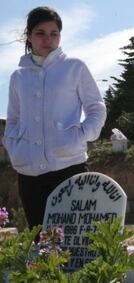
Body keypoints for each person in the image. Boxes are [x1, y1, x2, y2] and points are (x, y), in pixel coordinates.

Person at [2, 6, 106, 229]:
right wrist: (14, 148)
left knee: (75, 238)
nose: (47, 39)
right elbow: (13, 120)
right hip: (29, 173)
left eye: (54, 33)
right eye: (40, 33)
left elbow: (96, 108)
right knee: (41, 240)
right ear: (29, 36)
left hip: (68, 167)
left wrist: (79, 136)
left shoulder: (74, 67)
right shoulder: (18, 77)